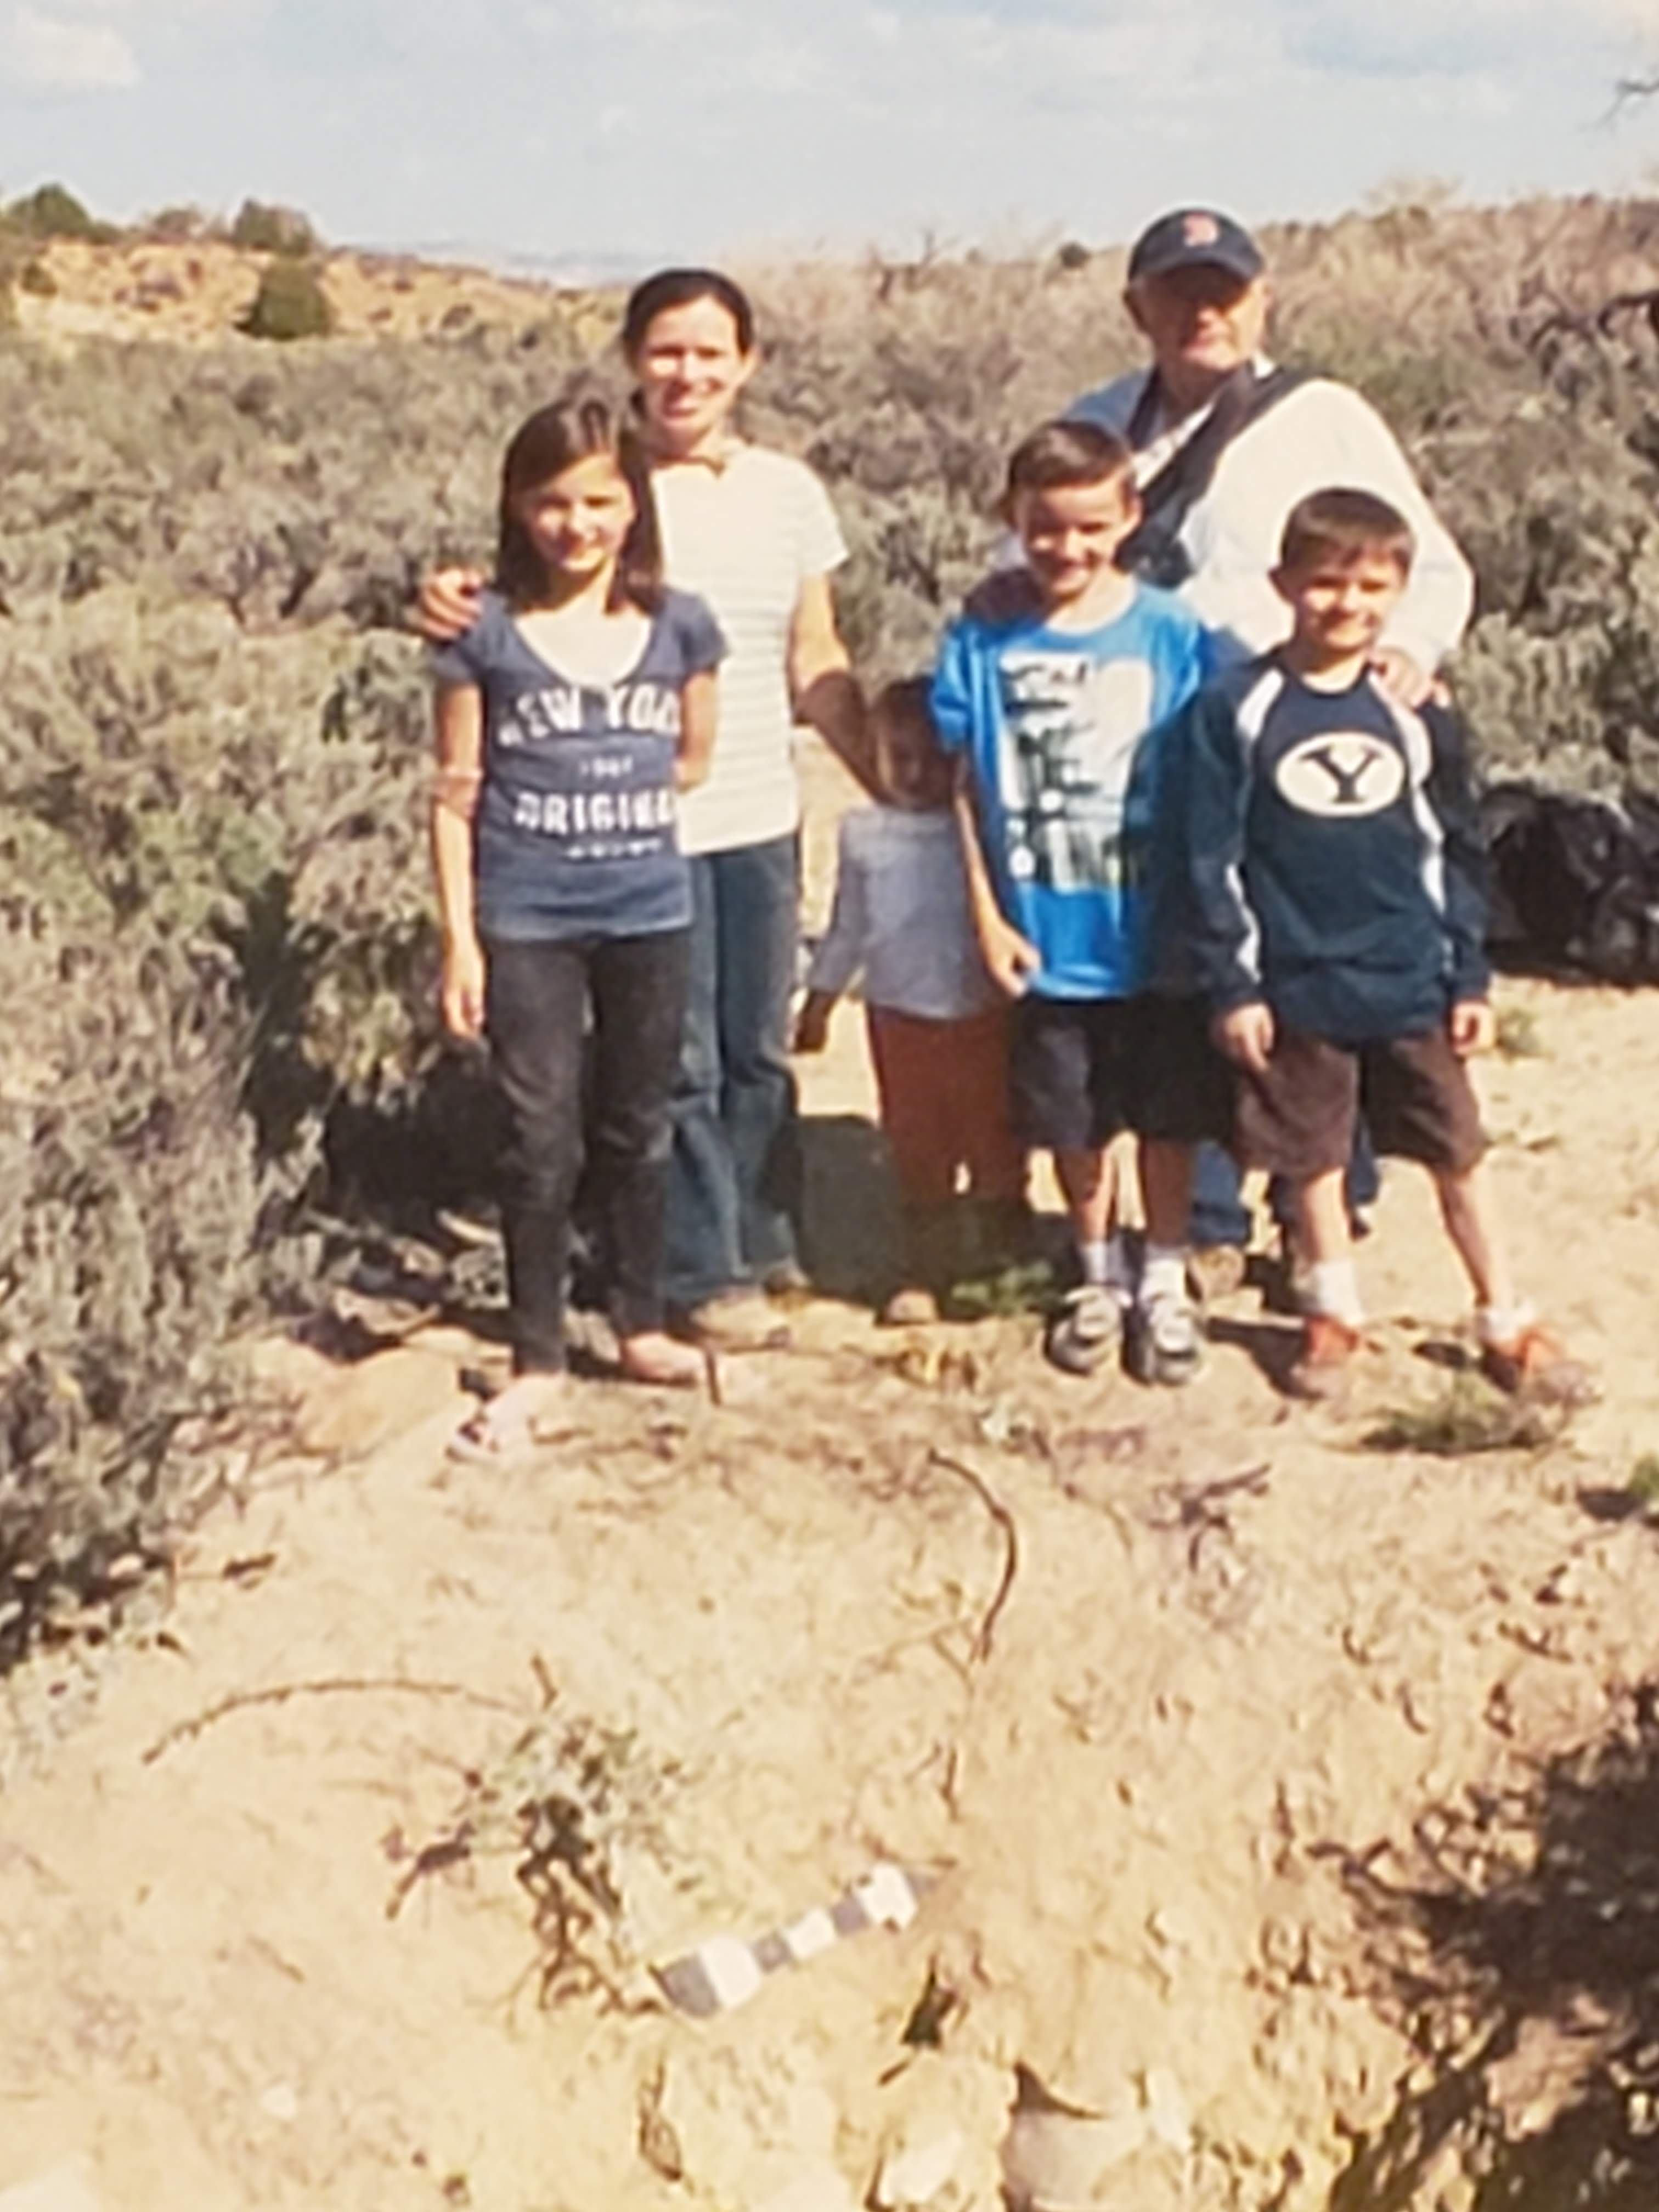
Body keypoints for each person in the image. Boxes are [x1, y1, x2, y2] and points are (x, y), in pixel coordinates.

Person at [419, 269, 868, 1351]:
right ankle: (695, 1272)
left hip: (755, 807)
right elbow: (529, 585)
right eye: (666, 350)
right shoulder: (600, 473)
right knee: (681, 1064)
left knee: (757, 1044)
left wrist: (881, 769)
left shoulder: (786, 493)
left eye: (711, 352)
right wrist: (442, 591)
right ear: (631, 357)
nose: (687, 373)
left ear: (747, 362)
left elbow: (813, 651)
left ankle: (765, 1239)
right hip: (635, 835)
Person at [1060, 207, 1477, 1279]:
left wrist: (1407, 654)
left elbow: (1425, 564)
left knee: (1308, 965)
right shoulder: (1101, 423)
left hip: (1294, 737)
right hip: (1143, 743)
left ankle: (1322, 1209)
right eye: (1178, 292)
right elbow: (1041, 547)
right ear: (1136, 308)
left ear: (1261, 301)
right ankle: (1205, 1213)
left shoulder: (1322, 417)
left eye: (1225, 291)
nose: (1203, 312)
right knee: (1193, 964)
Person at [1183, 487, 1586, 1402]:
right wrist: (1234, 985)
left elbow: (1453, 847)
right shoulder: (1237, 707)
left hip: (1408, 975)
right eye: (1325, 582)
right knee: (1313, 1155)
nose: (1346, 604)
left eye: (1370, 587)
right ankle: (1331, 1314)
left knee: (1458, 1150)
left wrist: (1467, 974)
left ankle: (1503, 1315)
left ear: (1399, 592)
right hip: (1298, 982)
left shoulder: (1415, 711)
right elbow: (1212, 856)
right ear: (1283, 583)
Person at [428, 394, 723, 1462]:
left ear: (633, 506)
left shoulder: (681, 625)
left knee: (638, 1121)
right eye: (552, 502)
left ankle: (638, 1322)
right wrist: (460, 941)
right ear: (518, 507)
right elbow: (454, 795)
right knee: (538, 1135)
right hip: (529, 917)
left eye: (600, 501)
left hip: (648, 909)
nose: (577, 524)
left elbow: (692, 757)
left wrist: (606, 799)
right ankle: (539, 1351)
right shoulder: (484, 633)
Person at [933, 420, 1222, 1383]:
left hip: (1158, 930)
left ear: (1129, 516)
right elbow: (963, 781)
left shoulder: (1173, 632)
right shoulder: (982, 637)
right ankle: (1096, 1271)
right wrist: (986, 913)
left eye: (1091, 526)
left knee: (1166, 1117)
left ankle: (1165, 1275)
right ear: (1012, 519)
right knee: (1074, 1119)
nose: (1067, 547)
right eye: (1045, 527)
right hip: (1046, 933)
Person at [793, 679, 1027, 1324]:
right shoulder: (863, 834)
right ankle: (925, 1268)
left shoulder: (979, 836)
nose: (919, 775)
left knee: (994, 1135)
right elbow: (847, 927)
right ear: (874, 753)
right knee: (916, 1139)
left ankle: (1000, 1266)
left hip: (980, 1015)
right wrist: (819, 1003)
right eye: (902, 758)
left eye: (935, 759)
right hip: (899, 1018)